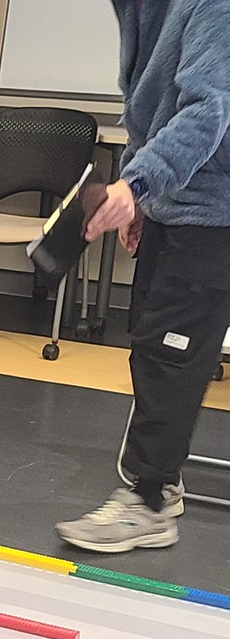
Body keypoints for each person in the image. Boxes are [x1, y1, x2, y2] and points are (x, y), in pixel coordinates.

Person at [56, 0, 230, 553]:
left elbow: (208, 110)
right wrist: (143, 200)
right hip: (176, 204)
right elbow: (150, 112)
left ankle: (149, 502)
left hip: (216, 214)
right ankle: (162, 484)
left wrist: (137, 186)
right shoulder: (141, 7)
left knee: (174, 358)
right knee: (154, 349)